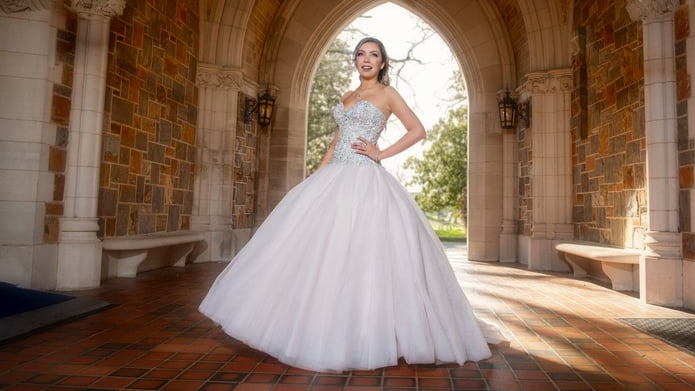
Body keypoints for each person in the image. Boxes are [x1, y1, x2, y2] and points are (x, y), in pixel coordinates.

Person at [199, 37, 493, 372]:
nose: (366, 59)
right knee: (324, 252)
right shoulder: (346, 96)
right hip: (334, 176)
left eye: (374, 55)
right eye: (361, 54)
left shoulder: (388, 94)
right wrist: (315, 178)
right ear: (355, 60)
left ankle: (370, 332)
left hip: (366, 180)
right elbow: (336, 141)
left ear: (382, 62)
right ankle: (319, 326)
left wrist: (380, 153)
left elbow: (417, 130)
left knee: (366, 255)